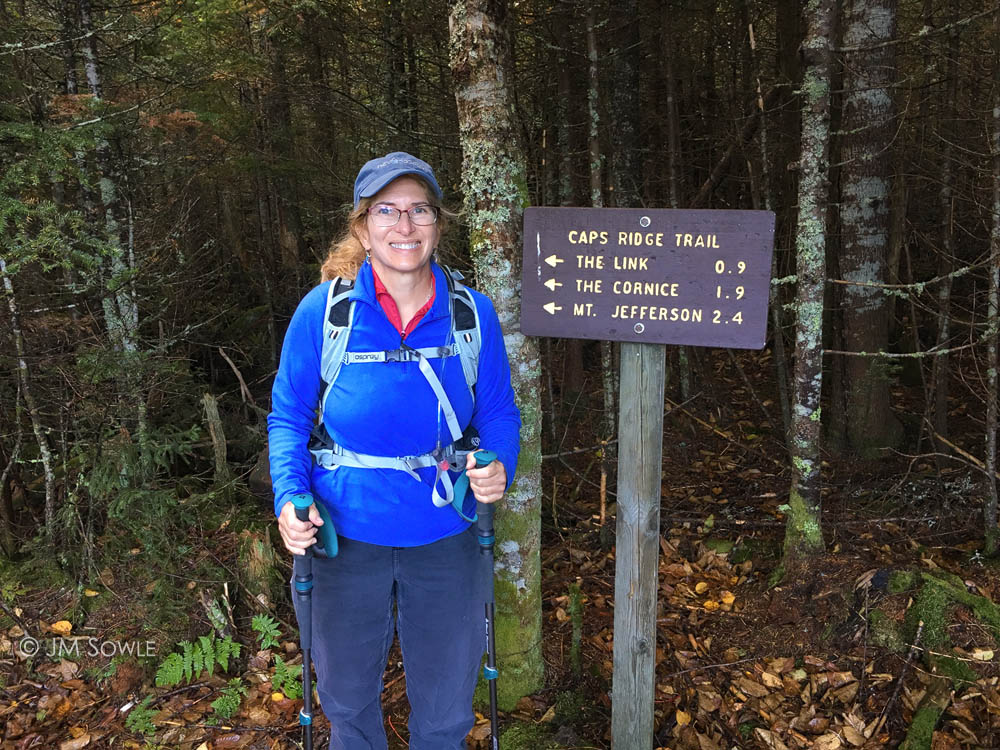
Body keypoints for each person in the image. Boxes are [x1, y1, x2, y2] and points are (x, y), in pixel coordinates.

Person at [268, 151, 521, 750]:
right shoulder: (324, 313)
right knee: (347, 701)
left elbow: (498, 413)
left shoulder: (471, 315)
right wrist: (289, 497)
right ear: (362, 227)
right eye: (386, 211)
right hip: (343, 533)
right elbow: (289, 416)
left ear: (437, 224)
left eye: (419, 210)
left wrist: (498, 466)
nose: (404, 225)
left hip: (447, 532)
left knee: (447, 708)